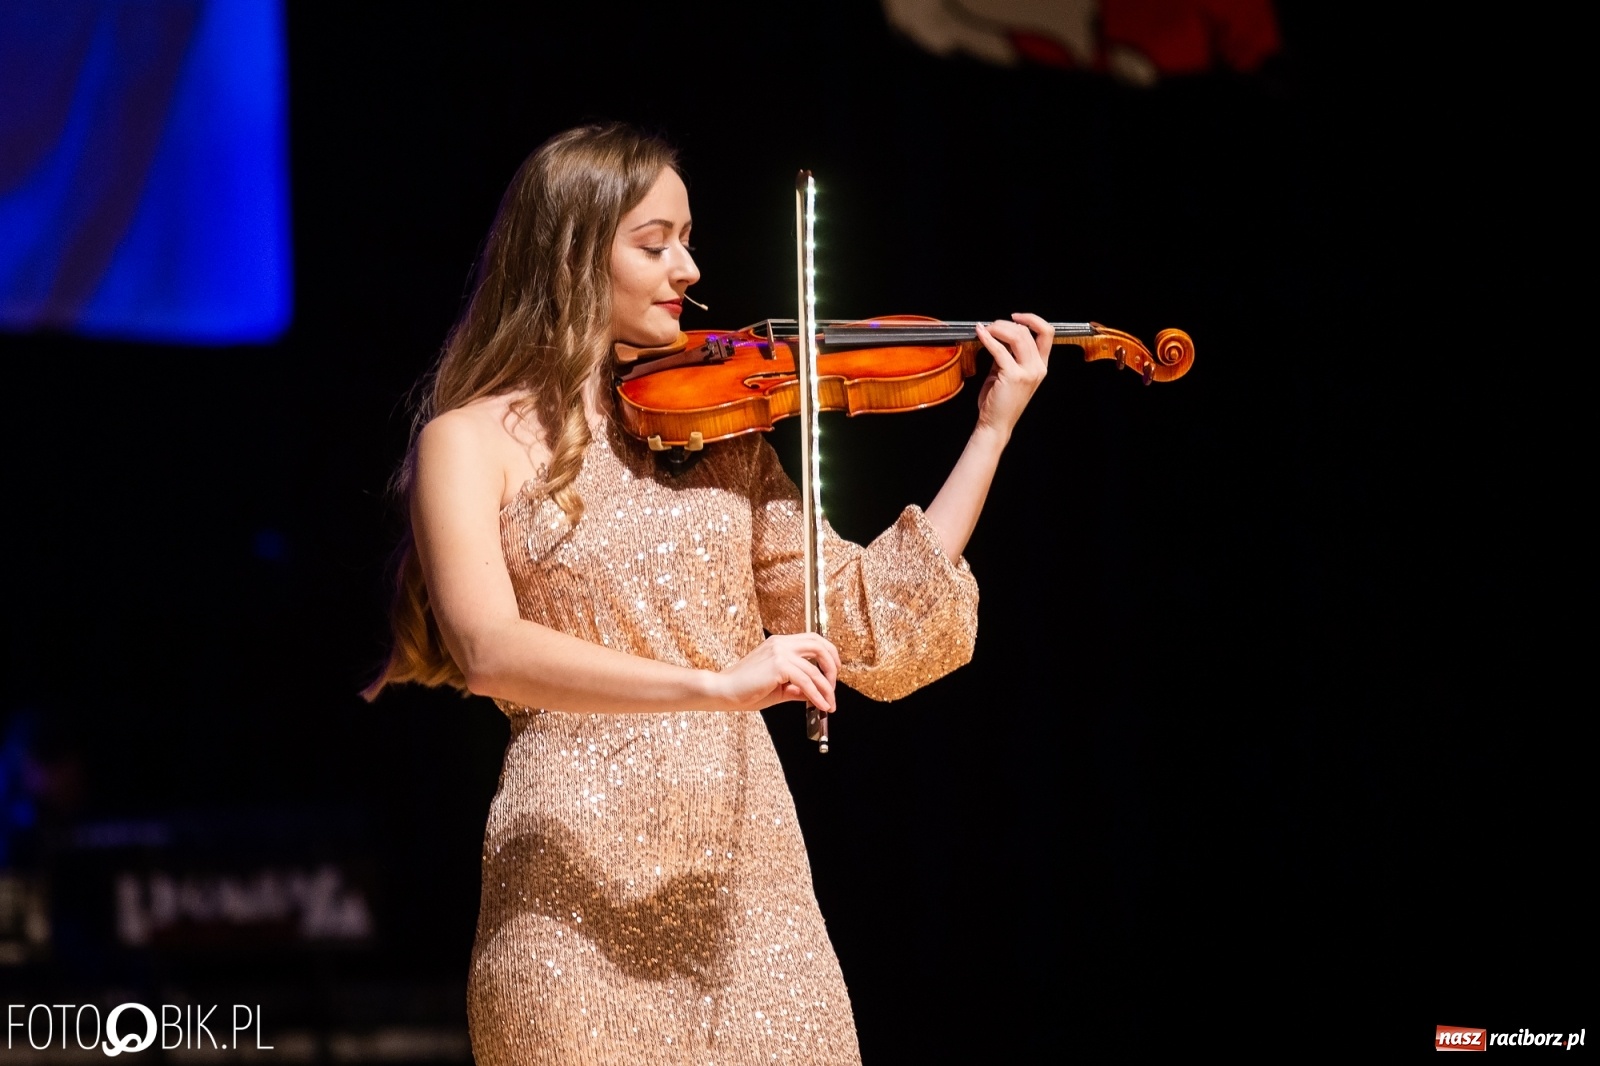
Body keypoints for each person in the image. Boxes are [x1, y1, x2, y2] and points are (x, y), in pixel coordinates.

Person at [365, 123, 1051, 1065]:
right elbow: (490, 651)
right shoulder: (468, 441)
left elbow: (868, 619)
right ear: (570, 252)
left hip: (749, 894)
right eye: (655, 243)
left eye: (687, 237)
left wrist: (992, 430)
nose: (688, 267)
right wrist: (716, 686)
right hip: (569, 891)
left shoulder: (721, 432)